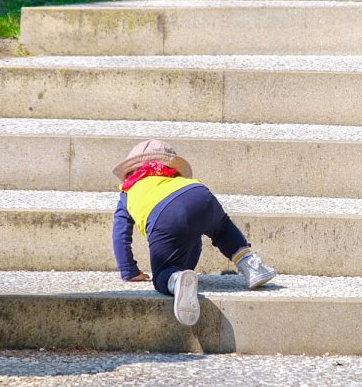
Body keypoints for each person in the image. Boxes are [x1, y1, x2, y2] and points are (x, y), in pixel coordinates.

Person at [112, 139, 277, 326]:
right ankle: (250, 264)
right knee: (222, 228)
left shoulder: (128, 191)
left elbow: (120, 233)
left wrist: (129, 270)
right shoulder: (175, 178)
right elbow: (193, 238)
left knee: (162, 274)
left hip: (164, 216)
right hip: (197, 193)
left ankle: (174, 279)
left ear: (130, 172)